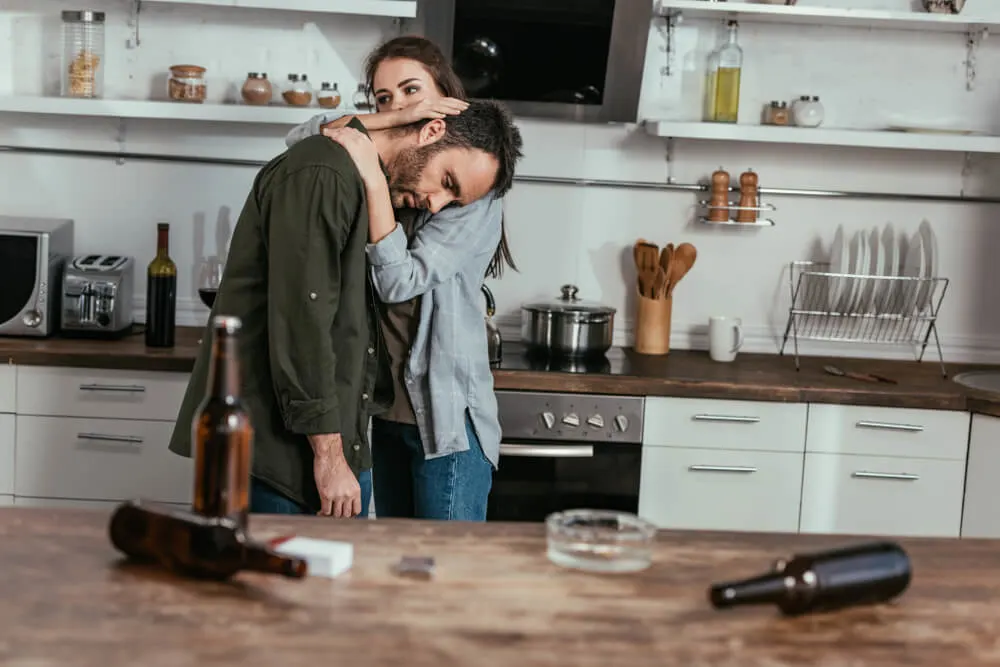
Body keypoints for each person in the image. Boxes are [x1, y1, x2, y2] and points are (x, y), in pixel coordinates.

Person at [168, 96, 523, 520]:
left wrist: (374, 172)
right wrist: (331, 456)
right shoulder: (327, 172)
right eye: (445, 180)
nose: (436, 203)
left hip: (420, 426)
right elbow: (305, 320)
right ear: (429, 128)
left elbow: (386, 287)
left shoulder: (384, 187)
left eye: (453, 196)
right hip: (295, 445)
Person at [284, 36, 523, 521]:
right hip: (383, 413)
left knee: (443, 578)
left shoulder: (471, 190)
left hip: (445, 422)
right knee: (397, 566)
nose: (399, 107)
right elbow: (302, 139)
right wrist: (392, 122)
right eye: (383, 98)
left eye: (413, 92)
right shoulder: (402, 168)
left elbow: (398, 282)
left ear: (443, 101)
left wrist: (373, 180)